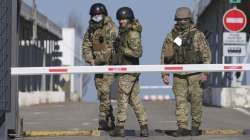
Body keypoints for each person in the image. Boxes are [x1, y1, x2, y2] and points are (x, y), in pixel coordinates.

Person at [161, 7, 211, 137]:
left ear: (189, 19)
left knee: (196, 101)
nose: (182, 22)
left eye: (184, 19)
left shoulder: (197, 35)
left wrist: (205, 72)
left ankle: (195, 126)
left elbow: (206, 54)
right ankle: (182, 127)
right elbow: (164, 55)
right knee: (180, 101)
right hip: (179, 75)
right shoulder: (172, 36)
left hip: (195, 73)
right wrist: (164, 73)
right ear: (176, 20)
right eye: (179, 20)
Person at [109, 7, 149, 137]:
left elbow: (138, 52)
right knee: (135, 100)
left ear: (130, 19)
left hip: (128, 70)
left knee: (122, 98)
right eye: (120, 19)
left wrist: (123, 51)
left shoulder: (132, 33)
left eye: (124, 19)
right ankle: (144, 126)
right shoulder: (123, 32)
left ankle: (120, 127)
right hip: (125, 70)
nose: (121, 21)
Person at [82, 3, 117, 131]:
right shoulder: (90, 30)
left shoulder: (111, 28)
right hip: (97, 67)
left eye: (99, 15)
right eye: (95, 15)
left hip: (108, 66)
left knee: (105, 91)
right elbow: (86, 46)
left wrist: (100, 60)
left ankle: (102, 118)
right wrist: (90, 59)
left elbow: (111, 47)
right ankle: (110, 120)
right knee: (102, 94)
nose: (97, 17)